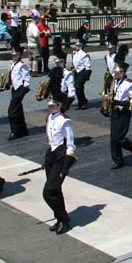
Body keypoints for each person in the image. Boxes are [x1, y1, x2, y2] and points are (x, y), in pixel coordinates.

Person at [42, 96, 77, 234]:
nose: (52, 107)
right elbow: (50, 140)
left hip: (61, 158)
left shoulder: (65, 120)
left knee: (48, 192)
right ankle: (60, 219)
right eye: (50, 105)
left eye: (55, 105)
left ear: (60, 105)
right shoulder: (49, 118)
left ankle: (64, 219)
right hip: (51, 155)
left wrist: (66, 166)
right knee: (55, 191)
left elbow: (71, 144)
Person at [109, 62, 132, 169]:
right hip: (115, 111)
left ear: (123, 72)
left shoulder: (129, 84)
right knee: (113, 138)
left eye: (118, 71)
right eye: (115, 71)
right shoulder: (114, 81)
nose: (115, 73)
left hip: (123, 112)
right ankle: (118, 160)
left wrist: (119, 103)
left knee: (119, 138)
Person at [7, 49, 31, 140]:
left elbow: (27, 78)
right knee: (18, 110)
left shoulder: (22, 65)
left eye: (15, 55)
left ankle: (15, 131)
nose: (13, 56)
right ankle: (23, 130)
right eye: (12, 55)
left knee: (12, 111)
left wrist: (23, 90)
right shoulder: (13, 64)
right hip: (15, 88)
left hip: (20, 88)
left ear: (19, 55)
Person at [72, 41, 92, 109]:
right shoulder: (75, 53)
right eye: (76, 45)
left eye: (78, 46)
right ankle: (84, 100)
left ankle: (82, 103)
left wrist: (87, 76)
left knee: (78, 86)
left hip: (83, 71)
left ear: (81, 46)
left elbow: (87, 66)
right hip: (77, 71)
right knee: (78, 87)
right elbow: (75, 63)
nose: (77, 47)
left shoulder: (84, 54)